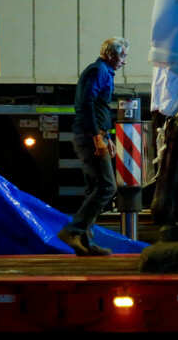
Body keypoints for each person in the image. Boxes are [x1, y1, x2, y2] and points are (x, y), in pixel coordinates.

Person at [58, 36, 126, 256]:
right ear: (110, 54)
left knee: (95, 188)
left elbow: (97, 107)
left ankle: (86, 242)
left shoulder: (102, 71)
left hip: (94, 134)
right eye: (122, 56)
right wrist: (97, 136)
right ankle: (73, 231)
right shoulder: (99, 71)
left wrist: (106, 136)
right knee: (108, 186)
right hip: (89, 136)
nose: (124, 61)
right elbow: (87, 103)